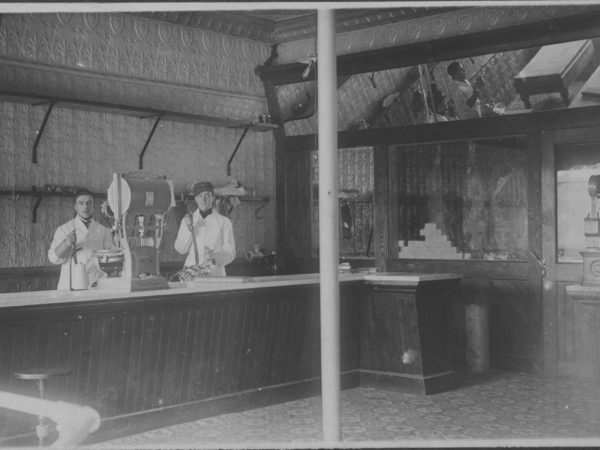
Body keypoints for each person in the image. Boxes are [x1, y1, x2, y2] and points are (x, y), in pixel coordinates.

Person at [48, 189, 114, 290]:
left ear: (93, 206)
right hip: (71, 285)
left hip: (97, 285)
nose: (85, 207)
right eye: (81, 203)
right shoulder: (64, 229)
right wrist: (66, 243)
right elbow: (53, 258)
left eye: (89, 203)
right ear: (76, 207)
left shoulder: (103, 230)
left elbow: (111, 257)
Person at [174, 181, 236, 277]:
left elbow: (230, 252)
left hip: (215, 274)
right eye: (200, 196)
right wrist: (188, 229)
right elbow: (181, 249)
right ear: (196, 199)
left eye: (207, 195)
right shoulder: (187, 220)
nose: (203, 199)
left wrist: (215, 258)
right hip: (190, 274)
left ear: (213, 197)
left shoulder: (224, 222)